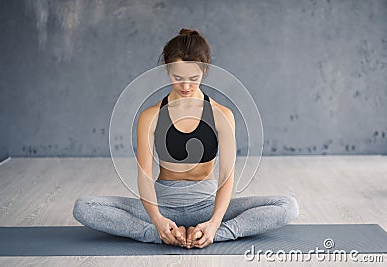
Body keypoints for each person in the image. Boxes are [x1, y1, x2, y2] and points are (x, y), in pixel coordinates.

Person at [72, 28, 299, 249]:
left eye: (194, 78)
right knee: (84, 207)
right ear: (167, 70)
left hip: (207, 205)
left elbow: (227, 178)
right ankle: (159, 234)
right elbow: (144, 176)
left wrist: (214, 224)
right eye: (177, 77)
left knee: (287, 206)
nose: (186, 86)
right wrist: (157, 220)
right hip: (163, 204)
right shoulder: (149, 116)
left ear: (205, 71)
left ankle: (211, 235)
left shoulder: (222, 115)